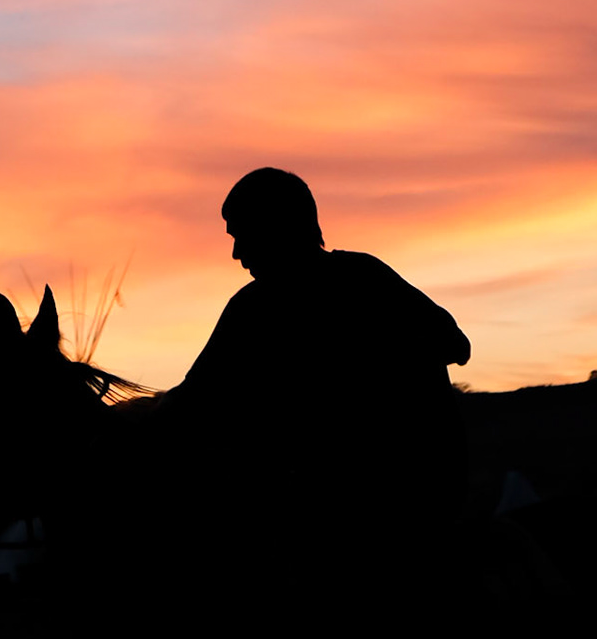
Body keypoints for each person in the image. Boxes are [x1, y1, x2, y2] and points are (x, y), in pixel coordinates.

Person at [164, 167, 472, 542]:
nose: (236, 252)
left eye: (242, 235)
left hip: (386, 504)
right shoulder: (255, 307)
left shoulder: (354, 281)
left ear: (275, 226)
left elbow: (454, 344)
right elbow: (193, 399)